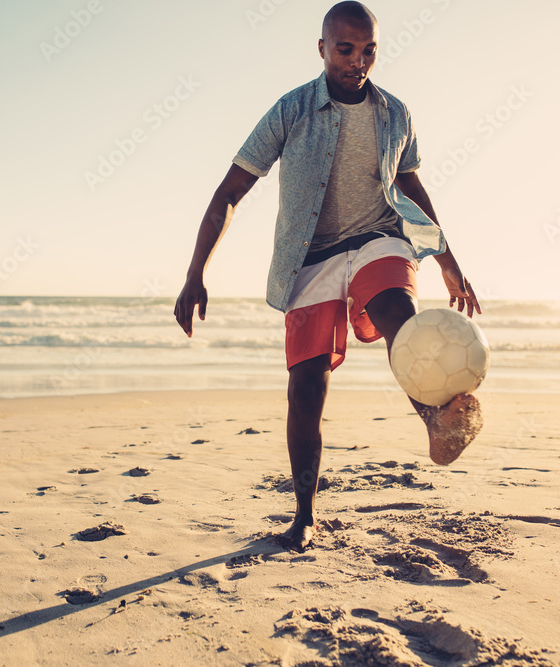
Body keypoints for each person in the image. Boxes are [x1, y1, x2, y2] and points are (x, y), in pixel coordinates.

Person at [173, 1, 483, 551]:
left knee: (397, 314)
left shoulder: (395, 115)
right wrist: (195, 271)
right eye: (346, 50)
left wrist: (447, 260)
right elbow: (230, 192)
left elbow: (412, 191)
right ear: (322, 49)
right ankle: (305, 515)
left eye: (369, 51)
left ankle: (440, 416)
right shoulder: (290, 111)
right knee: (306, 388)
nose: (357, 62)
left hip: (376, 237)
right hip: (308, 255)